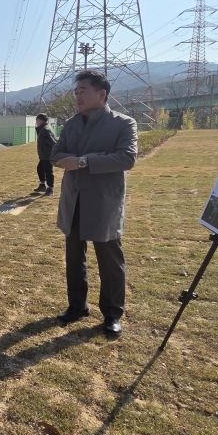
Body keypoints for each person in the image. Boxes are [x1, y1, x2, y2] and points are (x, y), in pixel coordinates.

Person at [51, 70, 137, 335]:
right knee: (74, 256)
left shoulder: (123, 123)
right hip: (74, 197)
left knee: (109, 259)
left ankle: (112, 313)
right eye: (76, 92)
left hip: (103, 200)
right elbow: (55, 154)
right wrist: (72, 159)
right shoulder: (71, 124)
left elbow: (127, 158)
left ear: (102, 94)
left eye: (83, 91)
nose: (78, 96)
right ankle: (77, 305)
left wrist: (83, 161)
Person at [34, 113, 57, 195]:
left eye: (37, 120)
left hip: (47, 155)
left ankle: (50, 188)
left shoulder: (45, 130)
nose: (36, 122)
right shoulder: (44, 128)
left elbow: (52, 142)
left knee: (48, 171)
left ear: (40, 121)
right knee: (40, 168)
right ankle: (42, 185)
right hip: (44, 154)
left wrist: (55, 151)